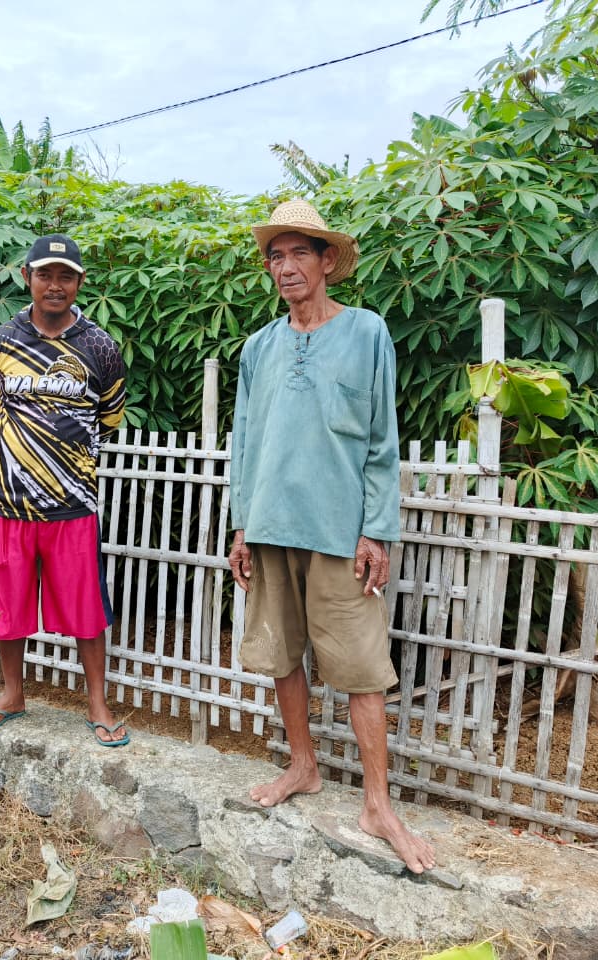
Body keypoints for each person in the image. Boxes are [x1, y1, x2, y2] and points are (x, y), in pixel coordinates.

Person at [228, 200, 436, 874]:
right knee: (282, 652)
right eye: (276, 256)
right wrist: (241, 524)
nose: (286, 267)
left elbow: (381, 439)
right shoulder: (258, 348)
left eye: (299, 253)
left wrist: (376, 530)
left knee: (361, 668)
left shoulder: (367, 332)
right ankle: (303, 765)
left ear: (326, 262)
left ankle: (378, 804)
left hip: (340, 530)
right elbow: (244, 441)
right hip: (270, 525)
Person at [0, 234, 130, 746]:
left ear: (80, 282)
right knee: (6, 607)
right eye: (45, 274)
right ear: (27, 277)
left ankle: (98, 703)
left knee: (86, 609)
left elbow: (109, 416)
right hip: (6, 502)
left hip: (72, 503)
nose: (54, 285)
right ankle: (12, 694)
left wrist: (63, 458)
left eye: (65, 276)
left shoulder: (101, 347)